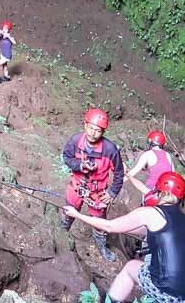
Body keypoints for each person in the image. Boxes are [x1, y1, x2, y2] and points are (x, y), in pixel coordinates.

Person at [66, 171, 185, 303]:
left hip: (170, 292)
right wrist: (124, 227)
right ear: (181, 199)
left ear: (158, 192)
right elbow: (147, 232)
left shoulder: (150, 212)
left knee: (131, 267)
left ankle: (110, 301)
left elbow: (109, 227)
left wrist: (77, 214)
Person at [62, 107, 126, 260]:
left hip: (97, 191)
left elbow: (119, 173)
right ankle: (62, 235)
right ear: (85, 125)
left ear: (103, 132)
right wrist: (79, 165)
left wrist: (112, 193)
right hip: (77, 184)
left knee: (99, 221)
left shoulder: (110, 150)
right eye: (90, 128)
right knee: (68, 211)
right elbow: (66, 157)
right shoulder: (76, 140)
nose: (93, 133)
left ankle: (101, 246)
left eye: (97, 130)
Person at [127, 129, 175, 198]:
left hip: (151, 191)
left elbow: (133, 172)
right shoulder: (168, 155)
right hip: (167, 193)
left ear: (151, 142)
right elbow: (173, 174)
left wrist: (123, 178)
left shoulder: (147, 154)